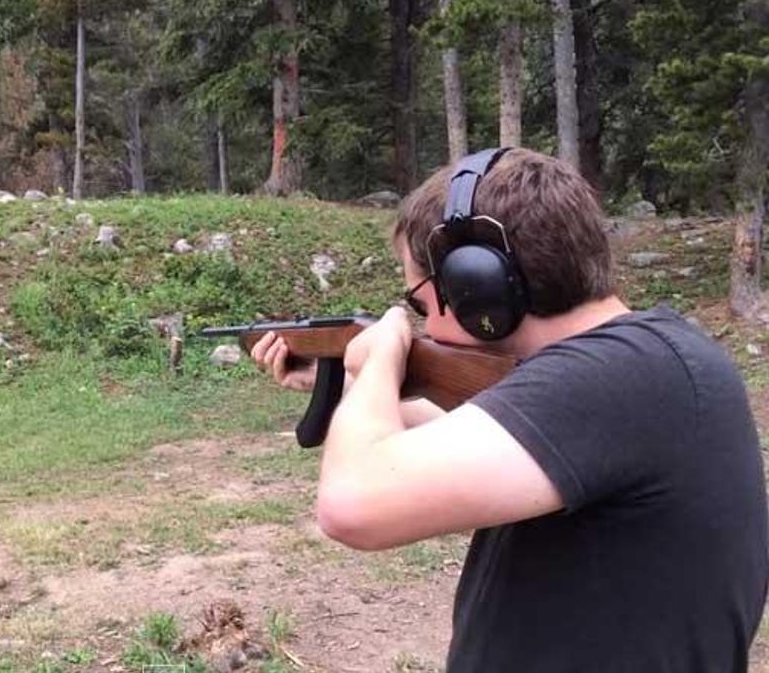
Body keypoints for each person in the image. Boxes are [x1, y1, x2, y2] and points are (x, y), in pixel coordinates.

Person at [251, 147, 768, 671]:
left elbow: (352, 508)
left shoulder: (620, 374)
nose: (425, 328)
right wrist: (350, 389)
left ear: (478, 289)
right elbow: (485, 443)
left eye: (421, 305)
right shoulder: (645, 364)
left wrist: (381, 358)